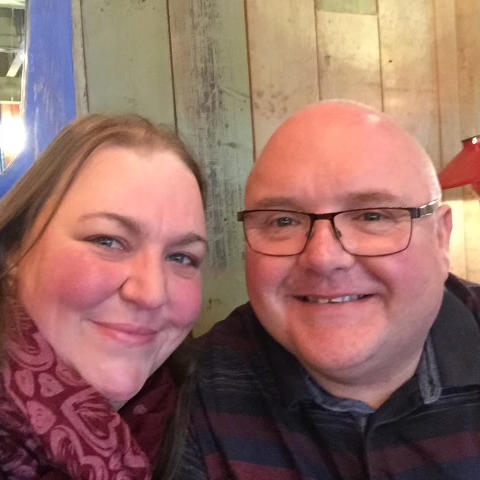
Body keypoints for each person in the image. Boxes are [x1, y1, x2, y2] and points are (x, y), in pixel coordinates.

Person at [179, 101, 480, 479]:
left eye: (372, 216)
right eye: (283, 221)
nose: (322, 257)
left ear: (440, 237)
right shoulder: (191, 392)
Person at [0, 114, 208, 479]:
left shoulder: (206, 419)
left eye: (181, 257)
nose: (151, 293)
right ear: (14, 252)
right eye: (107, 240)